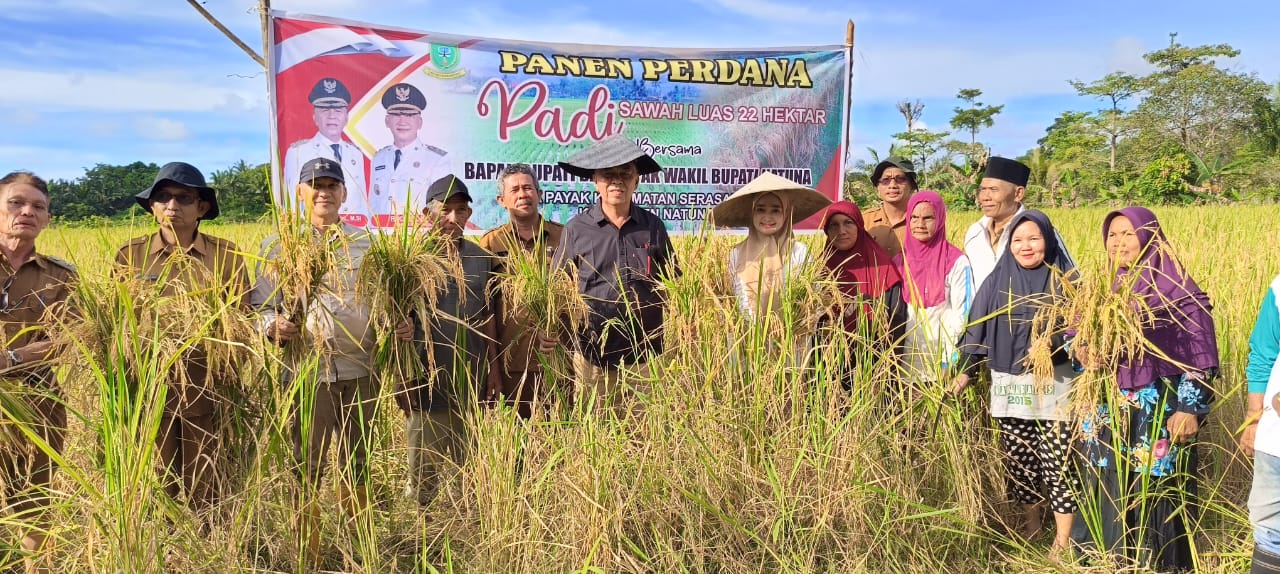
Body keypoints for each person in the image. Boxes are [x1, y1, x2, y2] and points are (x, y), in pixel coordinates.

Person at [250, 157, 386, 565]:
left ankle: (358, 549)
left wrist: (394, 323)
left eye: (331, 185)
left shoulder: (367, 244)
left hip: (361, 370)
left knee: (358, 461)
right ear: (300, 192)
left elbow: (383, 300)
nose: (323, 192)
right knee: (305, 466)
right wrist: (273, 325)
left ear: (343, 193)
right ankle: (307, 553)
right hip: (307, 373)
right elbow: (261, 307)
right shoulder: (279, 247)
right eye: (315, 185)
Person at [1074, 206, 1218, 572]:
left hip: (1159, 408)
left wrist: (1189, 408)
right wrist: (1083, 352)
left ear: (1149, 237)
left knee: (1154, 482)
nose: (1118, 242)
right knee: (1106, 479)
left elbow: (1201, 356)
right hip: (1106, 406)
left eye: (1128, 233)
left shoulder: (1178, 291)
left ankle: (1158, 563)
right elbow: (1075, 339)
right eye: (1112, 234)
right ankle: (1108, 561)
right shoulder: (1099, 290)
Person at [115, 162, 250, 519]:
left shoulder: (226, 255)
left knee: (205, 476)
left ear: (201, 207)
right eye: (163, 197)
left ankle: (206, 539)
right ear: (152, 206)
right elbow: (116, 322)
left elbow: (242, 319)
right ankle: (161, 539)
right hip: (150, 385)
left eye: (184, 198)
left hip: (207, 385)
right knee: (156, 476)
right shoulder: (130, 255)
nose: (172, 205)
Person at [949, 210, 1078, 553]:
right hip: (1010, 385)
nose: (1026, 246)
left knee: (1058, 463)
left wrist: (1053, 344)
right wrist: (965, 371)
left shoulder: (1067, 280)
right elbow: (976, 329)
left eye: (1034, 238)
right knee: (1021, 461)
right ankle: (1032, 528)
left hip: (1055, 385)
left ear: (1048, 240)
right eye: (1018, 240)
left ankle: (1063, 540)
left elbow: (1082, 330)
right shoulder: (997, 280)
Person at [549, 135, 677, 413]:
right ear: (595, 180)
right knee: (594, 427)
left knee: (644, 428)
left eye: (625, 174)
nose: (617, 181)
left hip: (645, 355)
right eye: (608, 174)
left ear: (636, 182)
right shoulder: (576, 229)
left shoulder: (653, 227)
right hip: (593, 355)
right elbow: (558, 287)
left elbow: (673, 284)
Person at [401, 175, 500, 506]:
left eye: (460, 210)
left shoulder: (481, 259)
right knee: (423, 470)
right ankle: (422, 524)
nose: (453, 218)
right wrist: (402, 378)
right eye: (445, 210)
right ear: (427, 214)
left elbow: (488, 317)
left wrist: (493, 371)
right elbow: (393, 320)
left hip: (470, 379)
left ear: (469, 214)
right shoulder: (411, 259)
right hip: (425, 381)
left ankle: (466, 524)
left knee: (467, 470)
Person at [0, 171, 76, 573]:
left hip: (37, 402)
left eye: (38, 207)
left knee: (32, 501)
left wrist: (12, 359)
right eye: (16, 202)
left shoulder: (60, 275)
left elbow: (71, 337)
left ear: (47, 219)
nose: (27, 212)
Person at [478, 164, 564, 418]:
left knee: (560, 431)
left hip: (559, 361)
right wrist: (493, 368)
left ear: (539, 194)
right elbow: (485, 310)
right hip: (511, 365)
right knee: (515, 436)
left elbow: (578, 296)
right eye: (514, 190)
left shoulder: (564, 237)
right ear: (501, 200)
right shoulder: (491, 243)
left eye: (528, 188)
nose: (522, 194)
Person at [712, 172, 830, 320]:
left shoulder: (800, 253)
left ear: (786, 214)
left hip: (791, 333)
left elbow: (814, 301)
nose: (767, 217)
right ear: (752, 213)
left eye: (776, 210)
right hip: (743, 333)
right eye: (760, 209)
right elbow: (725, 302)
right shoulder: (735, 254)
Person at [818, 201, 907, 387]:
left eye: (848, 223)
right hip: (829, 365)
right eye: (834, 225)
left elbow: (896, 318)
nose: (841, 231)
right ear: (827, 231)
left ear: (859, 226)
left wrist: (888, 367)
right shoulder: (819, 270)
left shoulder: (881, 266)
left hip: (874, 364)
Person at [892, 190, 973, 386]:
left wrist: (948, 361)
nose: (920, 224)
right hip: (901, 366)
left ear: (940, 219)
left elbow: (962, 314)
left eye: (928, 218)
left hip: (939, 367)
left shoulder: (956, 261)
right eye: (914, 217)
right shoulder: (898, 261)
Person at [963, 157, 1073, 290]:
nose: (984, 197)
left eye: (993, 189)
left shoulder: (1042, 231)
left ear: (1018, 194)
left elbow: (1071, 279)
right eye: (982, 189)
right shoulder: (975, 232)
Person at [369, 82, 454, 221]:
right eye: (396, 114)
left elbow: (443, 207)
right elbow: (373, 204)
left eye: (409, 115)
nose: (402, 121)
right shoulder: (379, 158)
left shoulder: (437, 160)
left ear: (419, 122)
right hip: (380, 232)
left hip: (419, 233)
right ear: (387, 121)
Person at [281, 77, 368, 213]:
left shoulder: (355, 153)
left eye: (338, 110)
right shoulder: (298, 152)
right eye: (324, 110)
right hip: (316, 225)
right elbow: (292, 199)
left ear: (346, 117)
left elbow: (362, 203)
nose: (331, 116)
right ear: (315, 117)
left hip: (353, 225)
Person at [1244, 271, 1280, 572]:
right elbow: (1263, 355)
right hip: (1275, 439)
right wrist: (1254, 420)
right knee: (1269, 531)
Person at [861, 156, 917, 258]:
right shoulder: (864, 221)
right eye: (885, 180)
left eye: (900, 179)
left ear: (912, 186)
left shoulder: (921, 221)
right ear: (877, 188)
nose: (892, 185)